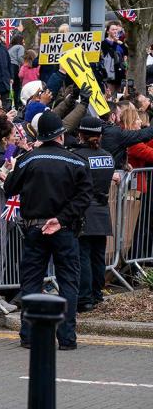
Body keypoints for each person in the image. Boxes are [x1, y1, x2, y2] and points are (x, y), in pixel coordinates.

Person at [3, 111, 93, 350]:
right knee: (68, 282)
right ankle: (66, 338)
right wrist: (61, 219)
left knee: (31, 281)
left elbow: (10, 187)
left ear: (40, 136)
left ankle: (29, 335)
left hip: (33, 228)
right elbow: (85, 197)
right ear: (61, 135)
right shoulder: (76, 162)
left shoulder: (27, 159)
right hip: (64, 229)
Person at [68, 117, 117, 312]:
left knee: (83, 256)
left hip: (84, 210)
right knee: (98, 256)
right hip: (102, 210)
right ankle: (97, 294)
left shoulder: (77, 157)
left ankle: (85, 298)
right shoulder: (108, 156)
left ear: (81, 134)